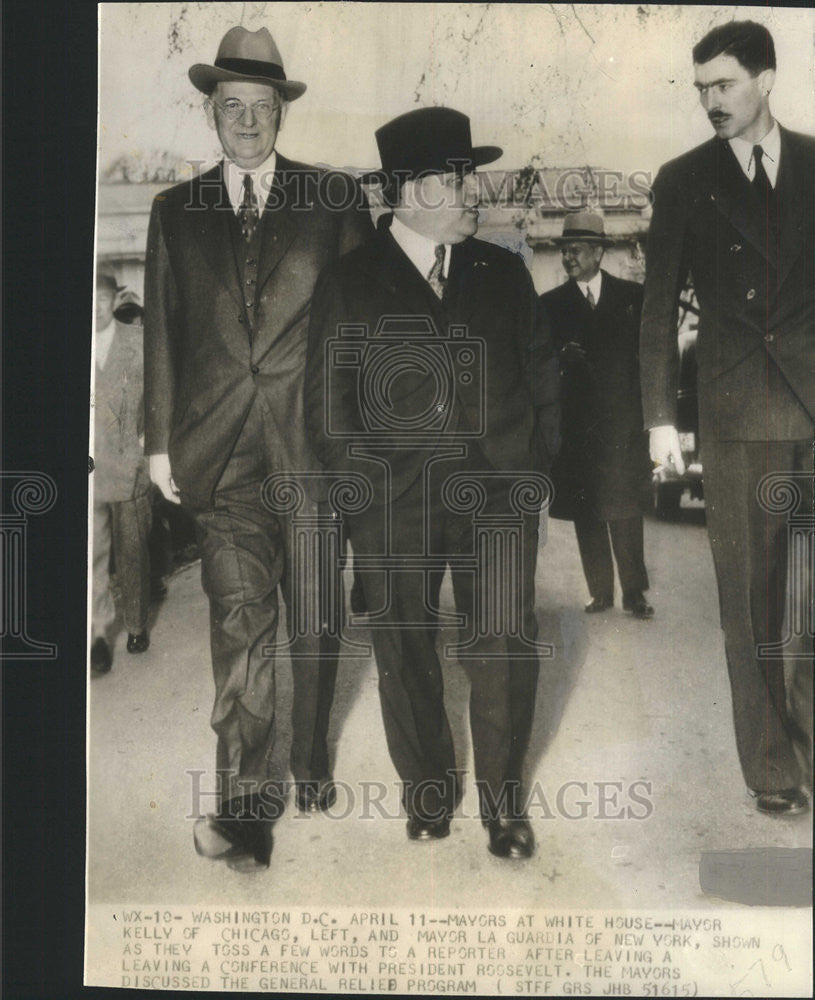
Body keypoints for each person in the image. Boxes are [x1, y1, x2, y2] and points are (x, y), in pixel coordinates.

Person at [143, 25, 371, 872]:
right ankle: (245, 804)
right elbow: (163, 336)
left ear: (281, 112)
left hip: (311, 443)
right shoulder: (175, 212)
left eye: (261, 107)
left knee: (314, 616)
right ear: (211, 113)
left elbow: (359, 330)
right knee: (240, 619)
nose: (247, 121)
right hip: (220, 450)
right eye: (231, 107)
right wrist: (161, 443)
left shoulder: (334, 201)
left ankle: (308, 755)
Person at [305, 107, 560, 858]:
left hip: (496, 498)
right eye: (453, 178)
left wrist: (531, 475)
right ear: (406, 191)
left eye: (467, 175)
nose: (469, 190)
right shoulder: (350, 281)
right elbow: (328, 405)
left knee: (505, 647)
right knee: (404, 649)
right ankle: (427, 793)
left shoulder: (503, 271)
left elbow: (544, 378)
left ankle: (503, 807)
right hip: (395, 506)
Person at [640, 20, 814, 816]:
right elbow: (652, 312)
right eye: (700, 87)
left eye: (724, 85)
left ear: (766, 79)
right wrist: (658, 421)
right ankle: (771, 770)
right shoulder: (682, 180)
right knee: (748, 601)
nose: (709, 100)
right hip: (737, 410)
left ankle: (806, 737)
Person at [541, 211, 653, 619]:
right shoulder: (550, 305)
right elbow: (541, 363)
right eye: (565, 251)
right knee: (588, 509)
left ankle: (635, 592)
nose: (568, 257)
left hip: (624, 424)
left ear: (599, 253)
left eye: (576, 250)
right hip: (579, 429)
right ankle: (600, 592)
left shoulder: (632, 297)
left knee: (626, 508)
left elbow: (647, 359)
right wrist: (560, 360)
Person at [91, 263, 153, 674]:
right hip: (91, 468)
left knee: (133, 551)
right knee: (93, 553)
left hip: (130, 462)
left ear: (115, 300)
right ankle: (97, 633)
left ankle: (135, 624)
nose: (95, 309)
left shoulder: (138, 341)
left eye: (102, 299)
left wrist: (148, 444)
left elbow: (158, 397)